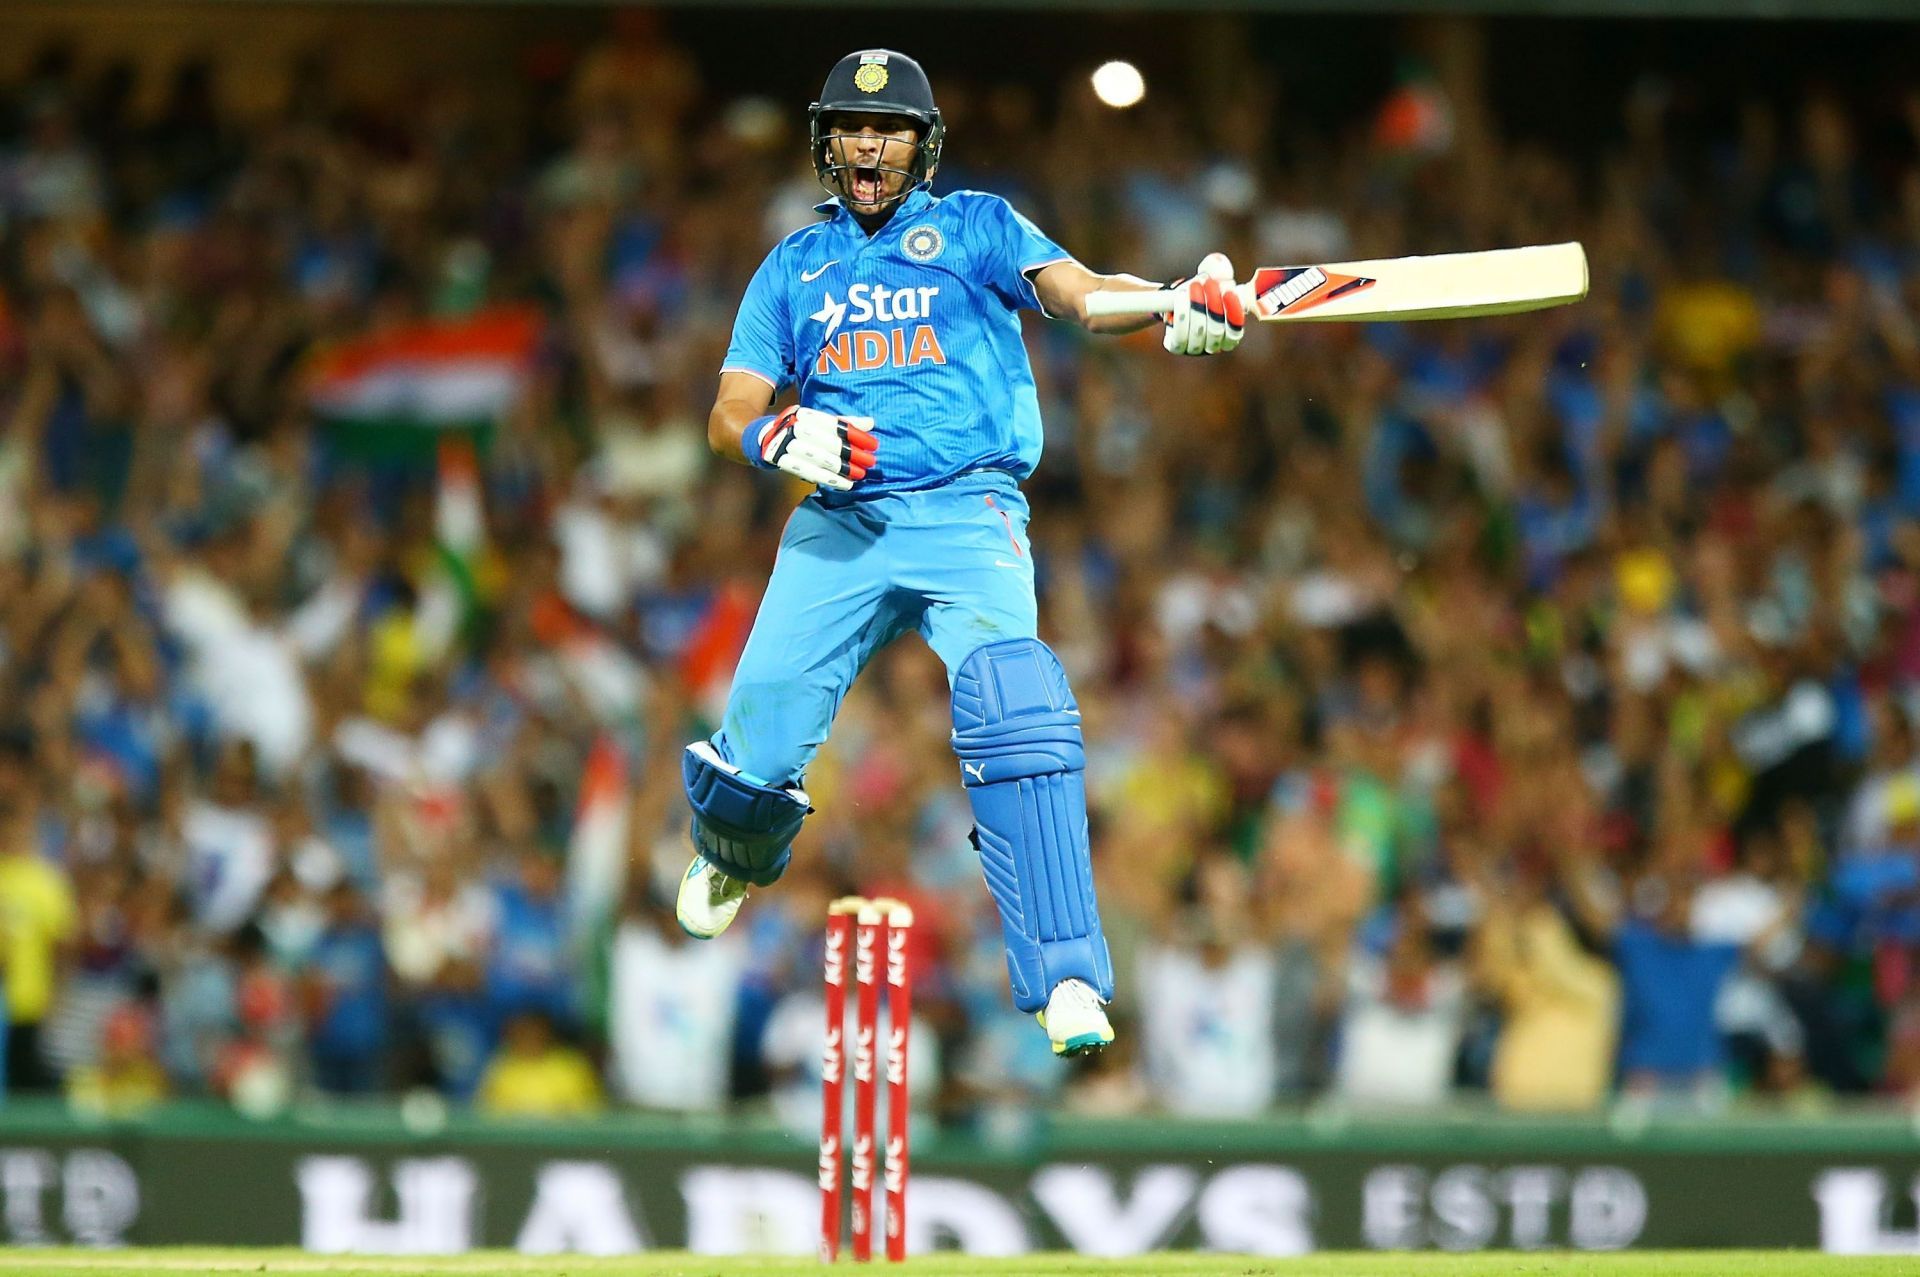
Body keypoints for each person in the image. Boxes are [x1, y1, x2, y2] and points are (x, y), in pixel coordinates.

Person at [674, 49, 1245, 1056]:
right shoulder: (791, 268)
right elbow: (729, 410)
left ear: (920, 144)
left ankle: (1066, 972)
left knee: (1016, 708)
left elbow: (1078, 295)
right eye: (851, 124)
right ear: (826, 141)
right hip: (841, 518)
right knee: (754, 750)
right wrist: (772, 436)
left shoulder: (978, 223)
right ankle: (731, 850)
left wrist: (1168, 304)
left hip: (969, 511)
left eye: (888, 127)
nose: (868, 141)